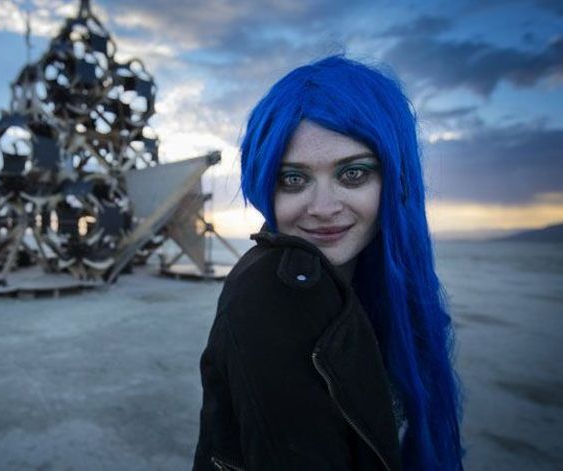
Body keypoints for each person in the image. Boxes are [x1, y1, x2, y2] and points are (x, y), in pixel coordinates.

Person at [193, 55, 464, 470]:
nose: (322, 208)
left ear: (395, 179)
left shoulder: (376, 283)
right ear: (267, 184)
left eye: (352, 174)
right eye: (294, 179)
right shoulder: (273, 292)